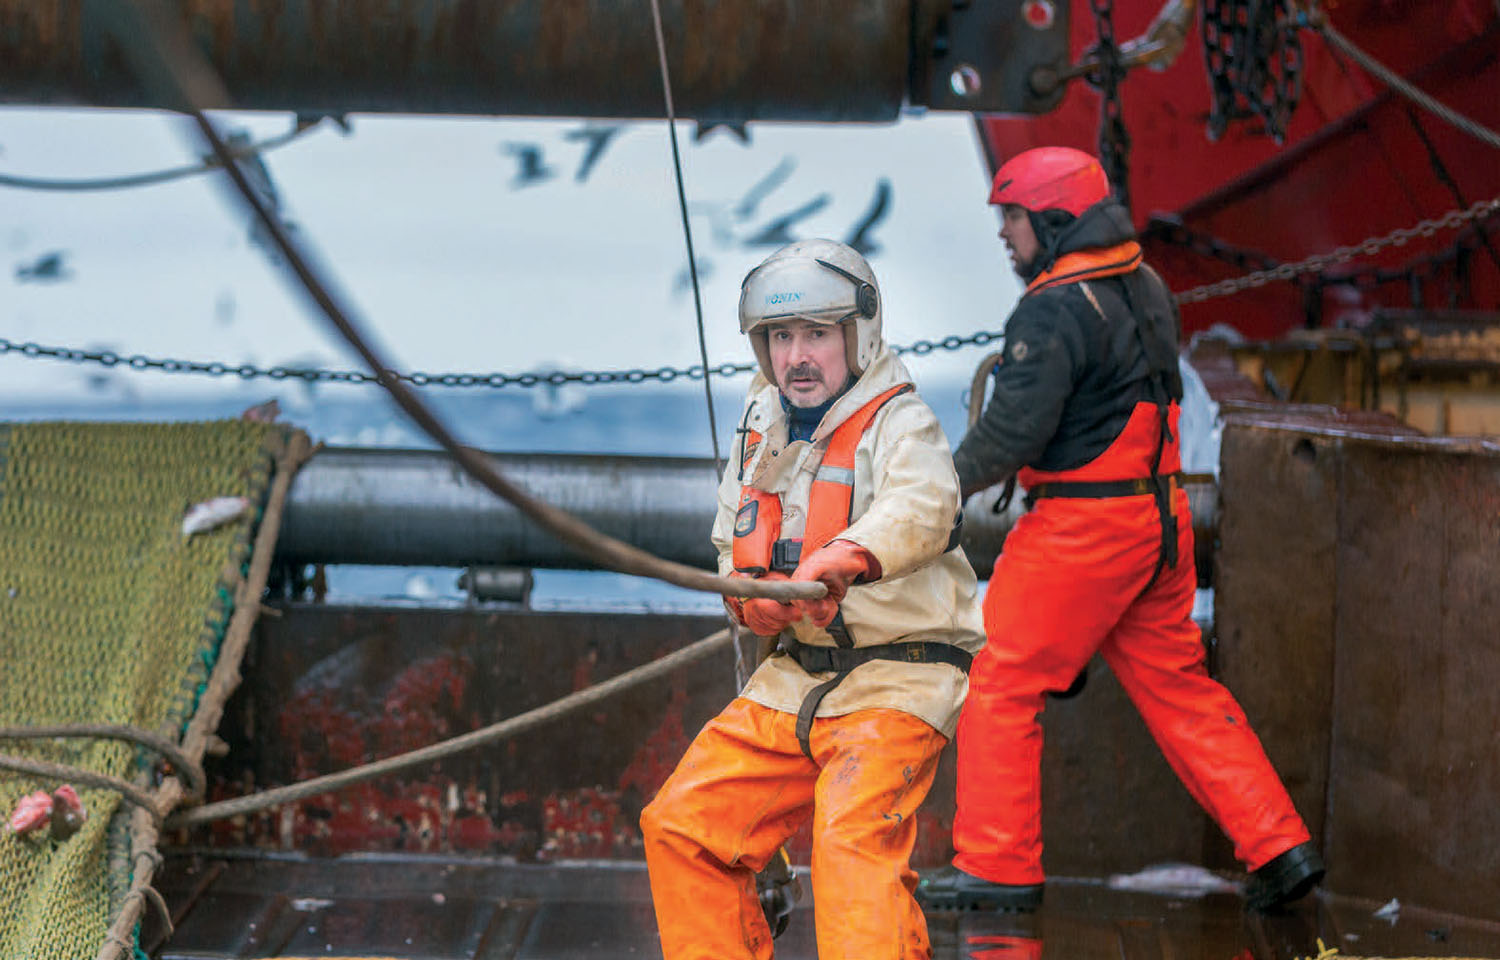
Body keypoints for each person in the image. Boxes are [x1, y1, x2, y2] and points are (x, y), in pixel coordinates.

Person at [916, 147, 1324, 913]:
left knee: (1000, 677)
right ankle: (1279, 847)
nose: (1004, 233)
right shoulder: (1147, 285)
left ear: (1053, 220)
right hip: (1159, 522)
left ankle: (998, 869)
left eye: (1013, 217)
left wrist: (927, 491)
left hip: (1084, 530)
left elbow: (1010, 436)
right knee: (1182, 692)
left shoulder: (1051, 308)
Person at [640, 238, 985, 960]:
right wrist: (752, 601)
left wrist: (849, 556)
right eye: (780, 337)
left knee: (850, 846)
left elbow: (925, 504)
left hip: (898, 678)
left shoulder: (900, 422)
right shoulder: (760, 426)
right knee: (682, 827)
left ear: (858, 337)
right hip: (798, 675)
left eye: (817, 334)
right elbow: (729, 538)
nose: (797, 356)